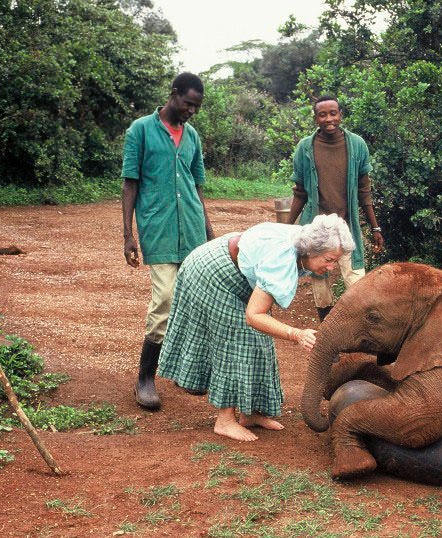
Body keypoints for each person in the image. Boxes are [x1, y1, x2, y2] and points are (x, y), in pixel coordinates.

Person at [158, 214, 355, 441]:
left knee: (260, 341)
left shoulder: (307, 241)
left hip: (238, 268)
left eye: (335, 261)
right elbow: (254, 316)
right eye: (329, 260)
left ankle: (251, 414)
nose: (331, 268)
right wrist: (296, 334)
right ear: (311, 250)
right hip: (212, 273)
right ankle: (225, 420)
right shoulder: (282, 260)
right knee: (235, 341)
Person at [121, 72, 214, 411]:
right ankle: (145, 378)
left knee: (193, 301)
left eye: (197, 106)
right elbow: (130, 182)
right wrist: (128, 234)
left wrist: (208, 229)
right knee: (165, 299)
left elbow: (197, 185)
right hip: (157, 228)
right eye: (189, 103)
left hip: (191, 229)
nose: (192, 110)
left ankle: (187, 374)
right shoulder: (141, 130)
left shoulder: (192, 137)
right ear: (173, 95)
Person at [287, 95, 384, 321]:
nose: (328, 119)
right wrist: (285, 228)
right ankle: (328, 338)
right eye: (322, 115)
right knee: (320, 286)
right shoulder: (305, 148)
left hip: (346, 228)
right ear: (315, 118)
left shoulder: (357, 145)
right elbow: (300, 192)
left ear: (340, 115)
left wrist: (375, 228)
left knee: (357, 282)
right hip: (316, 229)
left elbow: (364, 190)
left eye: (333, 113)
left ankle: (361, 338)